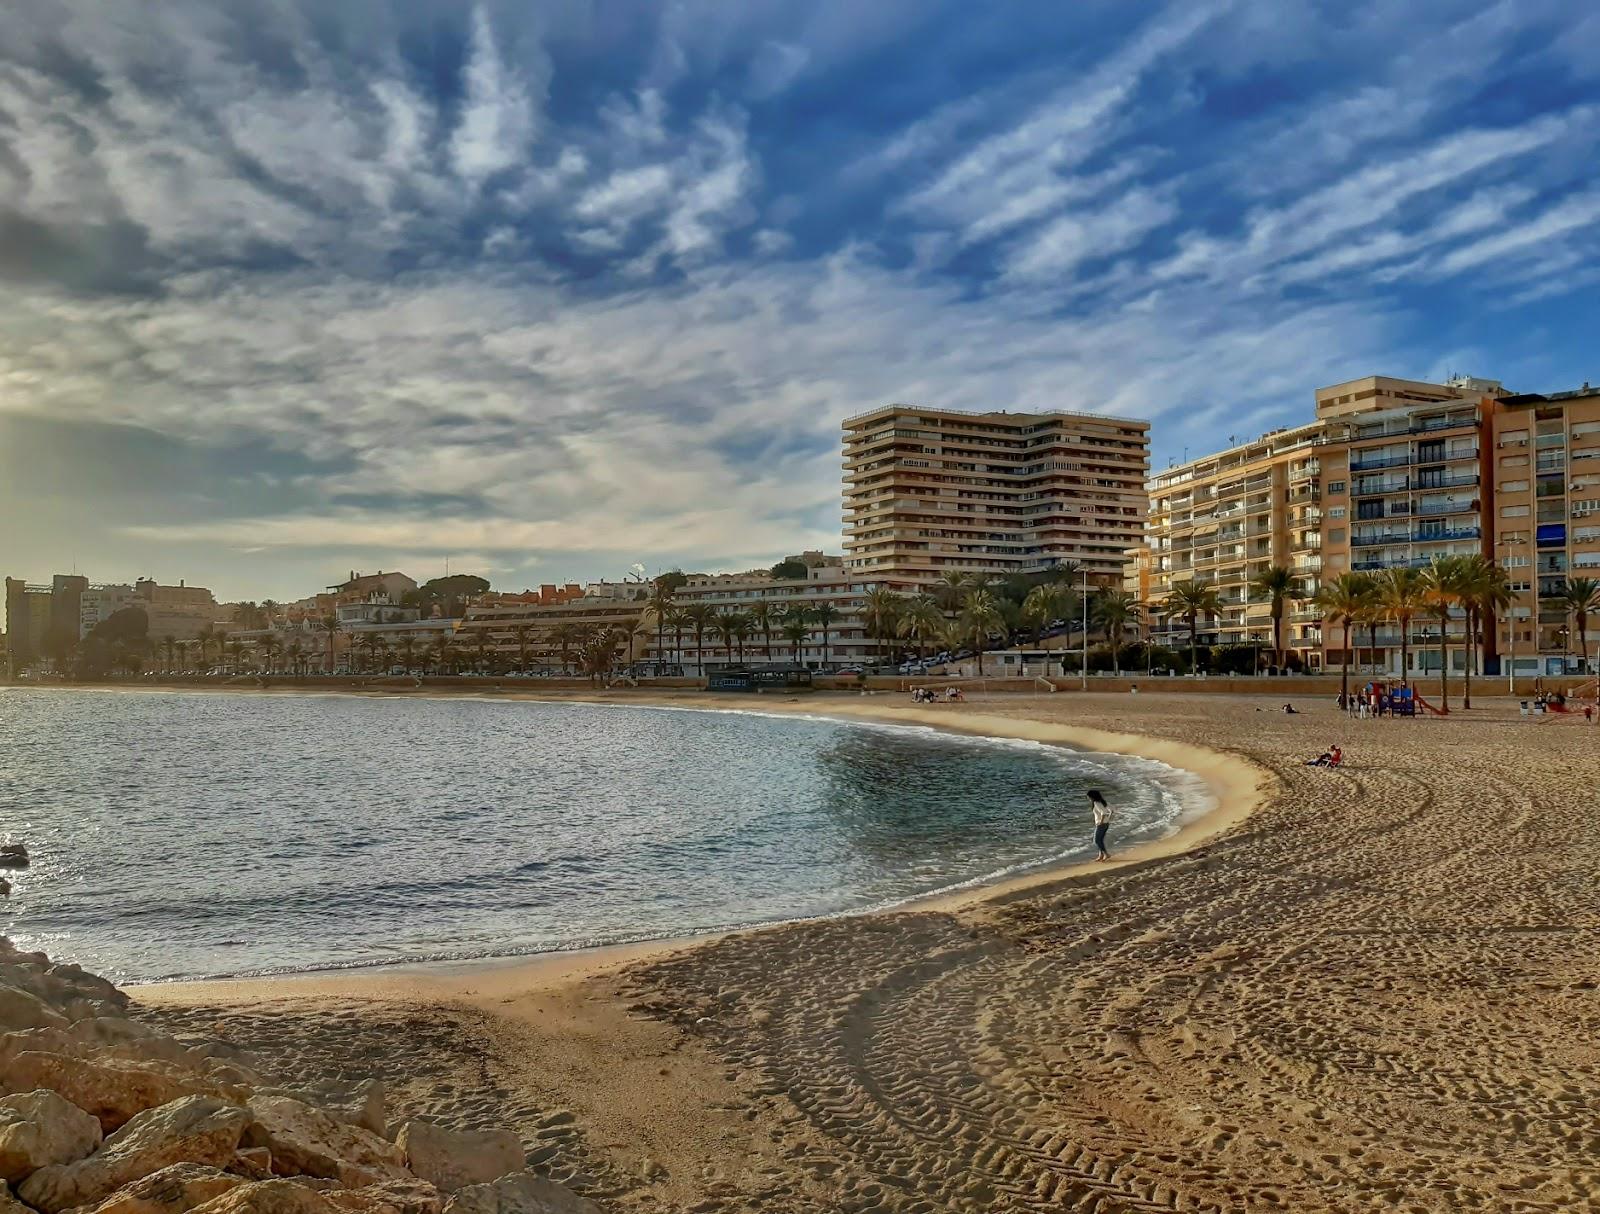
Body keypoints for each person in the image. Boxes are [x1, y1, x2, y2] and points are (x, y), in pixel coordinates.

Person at [1088, 790, 1112, 861]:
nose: (1088, 798)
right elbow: (1112, 810)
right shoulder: (1101, 802)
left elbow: (1103, 813)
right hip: (1106, 823)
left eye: (1089, 797)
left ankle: (1106, 854)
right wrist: (1109, 817)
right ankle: (1100, 855)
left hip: (1102, 824)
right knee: (1100, 840)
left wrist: (1101, 822)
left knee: (1096, 841)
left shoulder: (1096, 803)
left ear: (1092, 797)